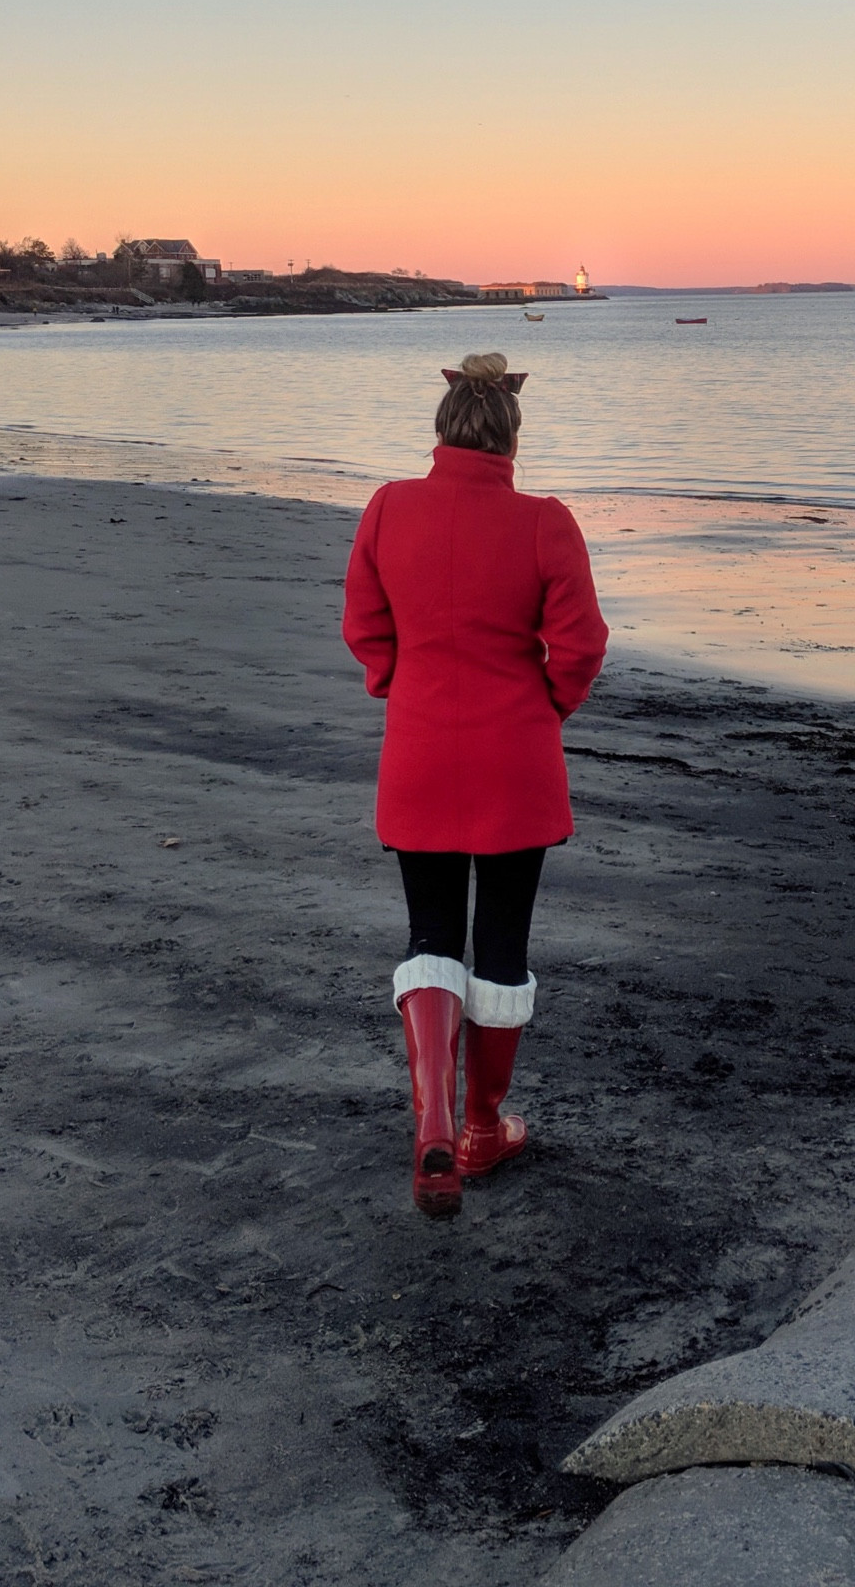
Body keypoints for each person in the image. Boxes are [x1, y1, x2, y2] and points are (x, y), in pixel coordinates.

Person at [342, 352, 608, 1216]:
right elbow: (581, 646)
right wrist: (544, 710)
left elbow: (364, 623)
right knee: (500, 945)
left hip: (420, 753)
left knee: (429, 934)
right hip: (514, 762)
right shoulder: (545, 523)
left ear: (443, 426)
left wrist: (398, 683)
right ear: (512, 436)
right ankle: (482, 1130)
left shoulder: (388, 508)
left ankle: (431, 1119)